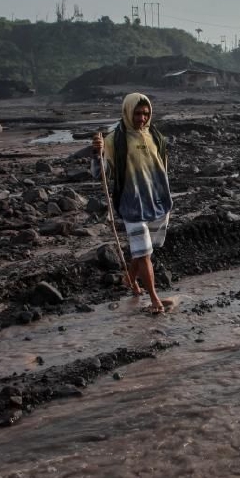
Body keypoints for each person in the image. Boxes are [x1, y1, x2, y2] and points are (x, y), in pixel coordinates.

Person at [91, 92, 175, 313]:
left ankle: (130, 278)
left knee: (145, 250)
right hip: (131, 204)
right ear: (127, 112)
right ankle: (155, 298)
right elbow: (100, 174)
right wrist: (96, 154)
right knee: (144, 253)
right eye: (137, 113)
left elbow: (162, 167)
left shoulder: (155, 136)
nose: (142, 118)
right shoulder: (113, 140)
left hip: (157, 201)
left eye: (146, 113)